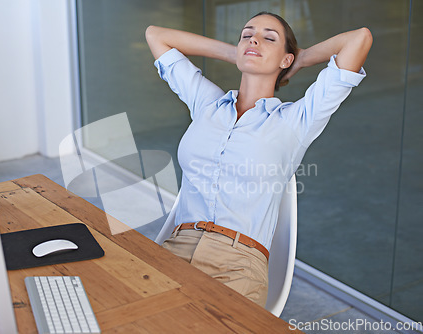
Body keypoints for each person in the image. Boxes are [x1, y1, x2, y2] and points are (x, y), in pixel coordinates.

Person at [145, 12, 372, 307]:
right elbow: (156, 35)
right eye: (246, 34)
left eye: (269, 38)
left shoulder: (296, 121)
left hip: (236, 265)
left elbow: (360, 39)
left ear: (285, 60)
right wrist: (238, 52)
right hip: (175, 247)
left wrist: (300, 59)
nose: (254, 39)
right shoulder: (207, 103)